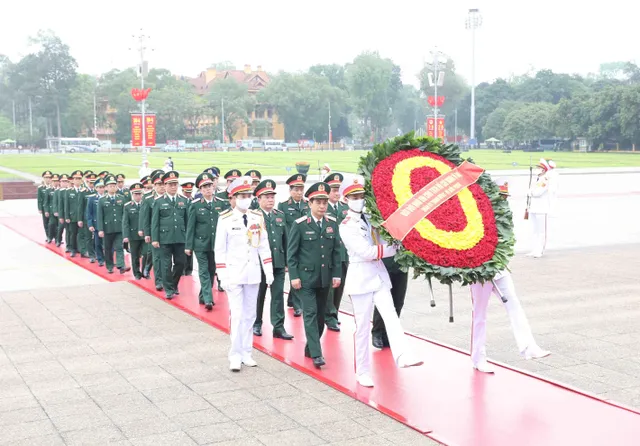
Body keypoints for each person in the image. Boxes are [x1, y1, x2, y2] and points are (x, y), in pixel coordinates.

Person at [339, 174, 423, 387]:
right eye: (354, 196)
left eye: (361, 195)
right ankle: (362, 371)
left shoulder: (371, 217)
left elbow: (384, 236)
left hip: (377, 276)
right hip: (361, 278)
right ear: (345, 200)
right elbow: (366, 251)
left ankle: (403, 355)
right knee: (362, 327)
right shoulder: (346, 225)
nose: (359, 199)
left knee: (391, 315)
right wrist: (393, 248)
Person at [470, 178, 550, 373]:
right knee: (479, 315)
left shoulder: (503, 217)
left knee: (514, 304)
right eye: (500, 196)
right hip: (480, 272)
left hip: (499, 269)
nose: (503, 200)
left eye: (505, 197)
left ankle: (528, 347)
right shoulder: (477, 216)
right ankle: (478, 358)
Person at [215, 176, 273, 372]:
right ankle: (235, 354)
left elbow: (263, 245)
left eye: (248, 195)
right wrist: (222, 275)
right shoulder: (225, 219)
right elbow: (219, 250)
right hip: (233, 274)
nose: (246, 198)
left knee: (250, 315)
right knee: (237, 315)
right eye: (242, 195)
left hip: (253, 273)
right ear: (233, 197)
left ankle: (247, 351)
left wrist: (269, 270)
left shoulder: (257, 217)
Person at [287, 182, 341, 369]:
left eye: (324, 202)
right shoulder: (300, 225)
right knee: (310, 314)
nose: (322, 206)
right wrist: (293, 276)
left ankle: (311, 347)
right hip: (306, 279)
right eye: (318, 202)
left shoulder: (332, 224)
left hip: (325, 278)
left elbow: (336, 251)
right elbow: (292, 253)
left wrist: (337, 274)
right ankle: (317, 354)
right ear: (310, 203)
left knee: (320, 318)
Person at [252, 179, 293, 340]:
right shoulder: (254, 217)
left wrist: (287, 263)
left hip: (278, 262)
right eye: (266, 197)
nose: (270, 200)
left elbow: (286, 240)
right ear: (258, 199)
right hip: (259, 263)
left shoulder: (279, 216)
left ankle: (278, 326)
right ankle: (256, 322)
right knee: (258, 294)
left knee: (277, 296)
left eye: (272, 197)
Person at [185, 172, 228, 311]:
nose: (208, 189)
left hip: (216, 245)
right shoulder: (195, 205)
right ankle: (209, 299)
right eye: (204, 187)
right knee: (203, 270)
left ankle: (203, 295)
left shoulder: (221, 203)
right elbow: (191, 227)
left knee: (211, 270)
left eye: (209, 186)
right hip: (200, 244)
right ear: (200, 190)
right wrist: (188, 246)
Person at [151, 170, 189, 300]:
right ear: (165, 186)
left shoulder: (184, 200)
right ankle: (168, 289)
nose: (173, 187)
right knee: (166, 265)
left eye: (175, 184)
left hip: (180, 237)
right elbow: (154, 222)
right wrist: (155, 239)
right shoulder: (159, 201)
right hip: (164, 238)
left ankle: (173, 284)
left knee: (180, 263)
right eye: (170, 184)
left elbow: (187, 221)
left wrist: (188, 239)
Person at [278, 174, 309, 316]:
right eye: (296, 189)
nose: (299, 192)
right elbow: (283, 228)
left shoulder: (308, 204)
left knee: (301, 273)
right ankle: (297, 305)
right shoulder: (283, 205)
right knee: (294, 272)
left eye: (301, 189)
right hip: (291, 244)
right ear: (290, 190)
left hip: (306, 244)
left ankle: (292, 299)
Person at [324, 172, 349, 332]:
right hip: (327, 254)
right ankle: (329, 316)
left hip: (343, 254)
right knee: (329, 288)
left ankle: (335, 312)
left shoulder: (345, 208)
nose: (336, 193)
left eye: (338, 189)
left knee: (340, 286)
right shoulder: (320, 207)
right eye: (333, 189)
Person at [97, 175, 131, 274]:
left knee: (119, 247)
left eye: (114, 185)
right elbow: (100, 216)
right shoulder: (102, 200)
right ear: (106, 187)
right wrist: (100, 229)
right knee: (108, 248)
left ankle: (121, 265)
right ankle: (110, 266)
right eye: (110, 186)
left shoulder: (121, 198)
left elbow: (124, 214)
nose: (112, 187)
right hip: (107, 228)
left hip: (119, 227)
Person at [140, 170, 166, 289]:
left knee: (166, 259)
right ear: (154, 186)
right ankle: (158, 281)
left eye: (163, 184)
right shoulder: (148, 198)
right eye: (159, 184)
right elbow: (145, 217)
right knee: (156, 257)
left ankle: (166, 280)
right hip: (154, 232)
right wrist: (146, 233)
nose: (161, 187)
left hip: (167, 232)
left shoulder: (169, 197)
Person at [527, 158, 555, 258]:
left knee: (542, 231)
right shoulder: (536, 178)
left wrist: (531, 192)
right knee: (535, 231)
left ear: (543, 170)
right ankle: (534, 250)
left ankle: (540, 250)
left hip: (542, 208)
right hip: (533, 207)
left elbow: (538, 192)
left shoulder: (545, 179)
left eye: (538, 167)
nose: (536, 169)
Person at [122, 182, 145, 280]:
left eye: (139, 194)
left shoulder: (145, 205)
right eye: (136, 194)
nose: (138, 196)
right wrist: (126, 236)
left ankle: (144, 271)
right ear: (132, 195)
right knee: (135, 255)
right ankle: (136, 273)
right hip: (133, 234)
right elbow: (125, 222)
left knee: (146, 254)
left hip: (145, 234)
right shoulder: (128, 206)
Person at [86, 178, 106, 266]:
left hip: (107, 224)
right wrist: (90, 224)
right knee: (97, 243)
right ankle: (100, 258)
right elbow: (89, 212)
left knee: (107, 243)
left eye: (102, 187)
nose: (101, 189)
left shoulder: (107, 197)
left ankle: (107, 258)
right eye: (99, 187)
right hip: (96, 223)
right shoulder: (92, 198)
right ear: (96, 188)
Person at [37, 171, 53, 241]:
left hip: (52, 208)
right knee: (46, 223)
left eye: (49, 177)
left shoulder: (53, 187)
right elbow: (39, 199)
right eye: (46, 177)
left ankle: (54, 236)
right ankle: (48, 236)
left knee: (53, 223)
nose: (48, 179)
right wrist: (40, 208)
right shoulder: (41, 188)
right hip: (44, 207)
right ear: (43, 178)